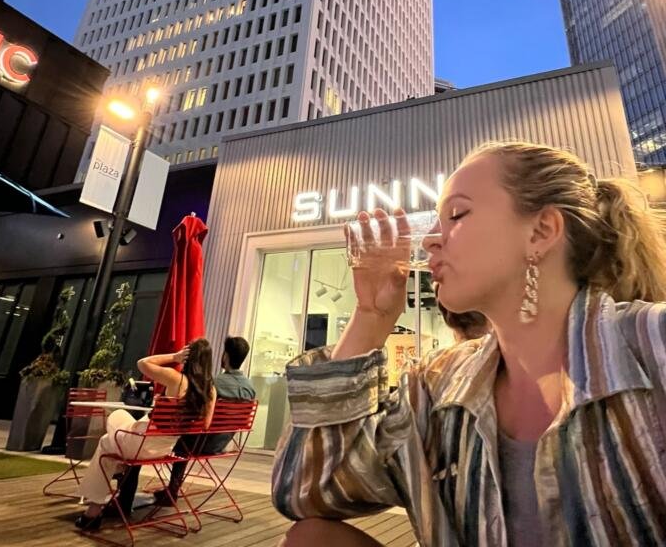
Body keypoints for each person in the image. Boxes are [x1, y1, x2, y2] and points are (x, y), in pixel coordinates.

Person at [272, 140, 666, 546]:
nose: (430, 242)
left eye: (457, 214)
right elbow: (305, 493)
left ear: (541, 230)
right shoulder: (435, 385)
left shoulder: (652, 344)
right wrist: (370, 317)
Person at [74, 338, 216, 531]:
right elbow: (205, 424)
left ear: (188, 357)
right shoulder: (210, 391)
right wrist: (170, 407)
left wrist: (174, 357)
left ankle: (94, 510)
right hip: (164, 448)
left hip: (142, 442)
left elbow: (142, 363)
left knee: (111, 428)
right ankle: (101, 500)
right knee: (109, 441)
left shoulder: (176, 379)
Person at [131, 335, 256, 511]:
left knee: (185, 434)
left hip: (198, 443)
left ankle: (171, 490)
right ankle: (170, 489)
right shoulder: (250, 388)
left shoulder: (214, 383)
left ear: (225, 356)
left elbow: (201, 419)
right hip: (223, 442)